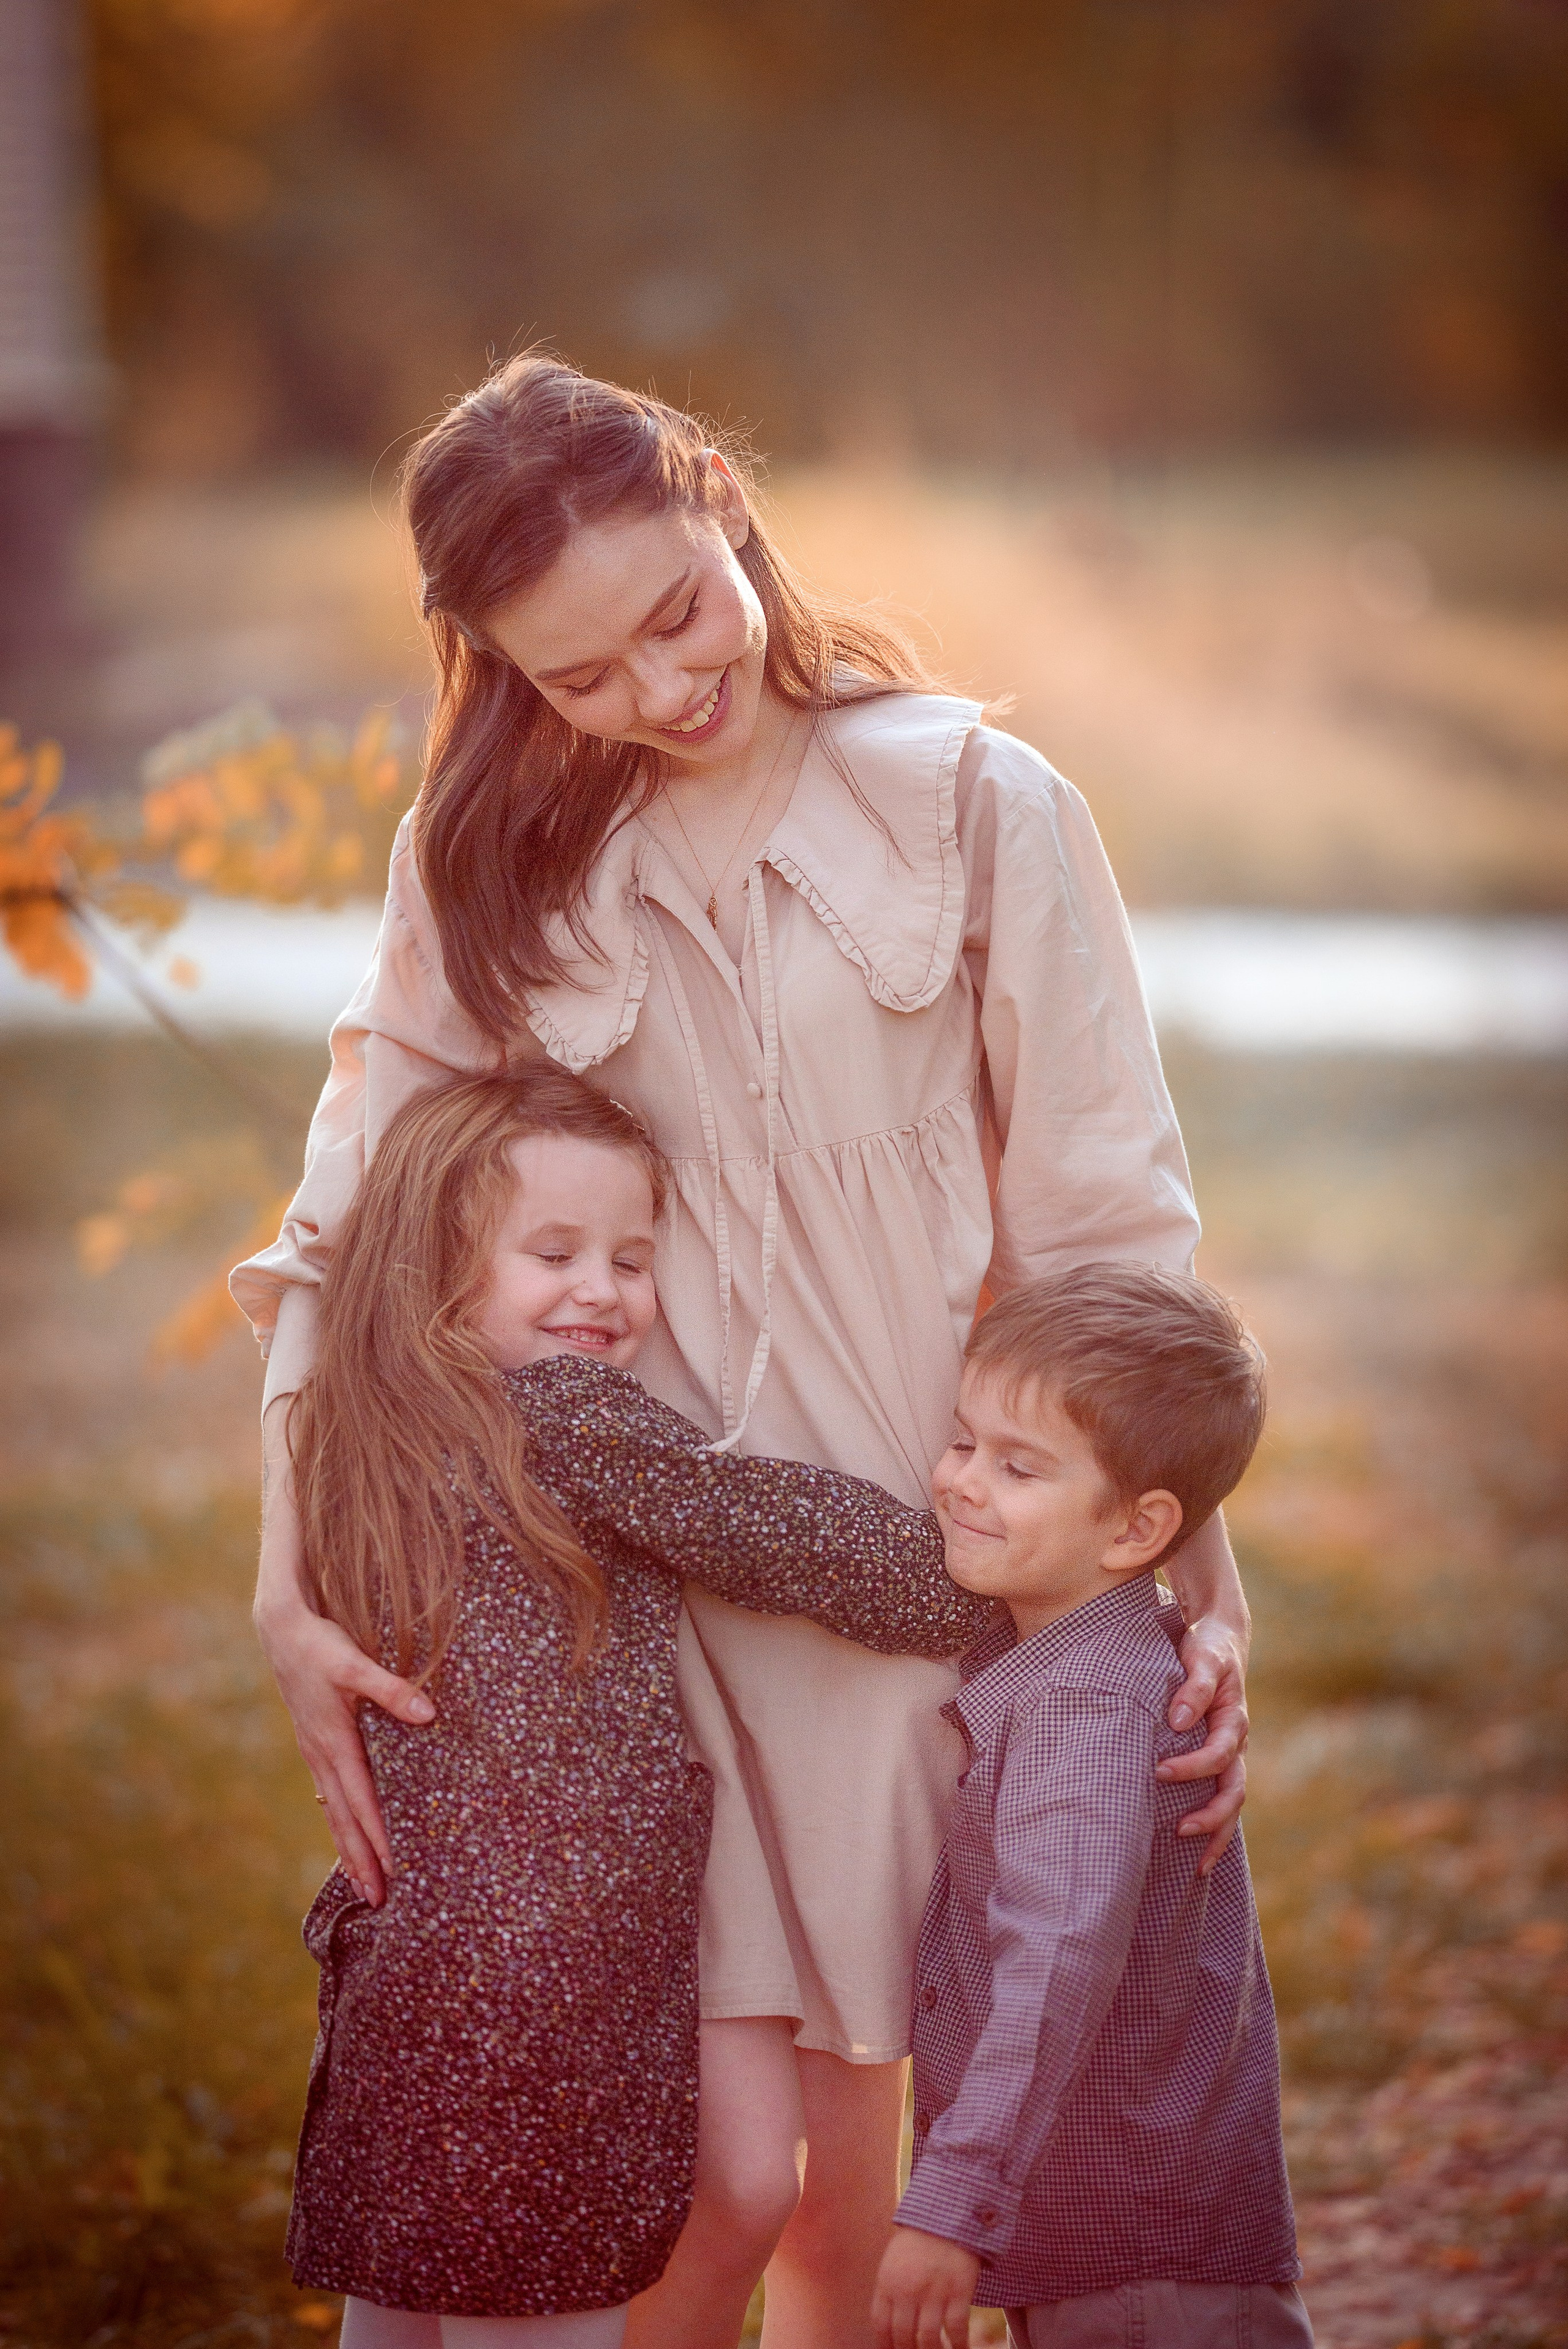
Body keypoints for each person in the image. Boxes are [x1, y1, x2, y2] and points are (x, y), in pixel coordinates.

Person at [232, 351, 1254, 2348]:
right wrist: (289, 1560)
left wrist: (1186, 1587)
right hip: (601, 1612)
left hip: (906, 1567)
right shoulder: (489, 853)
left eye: (677, 612)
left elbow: (1111, 1222)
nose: (663, 689)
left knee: (849, 2209)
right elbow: (351, 1211)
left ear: (722, 498)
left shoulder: (979, 807)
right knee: (702, 2181)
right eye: (579, 674)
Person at [287, 1064, 989, 2347]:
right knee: (540, 2294)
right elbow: (768, 1530)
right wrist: (995, 1591)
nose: (601, 1290)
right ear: (433, 1264)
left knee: (402, 2294)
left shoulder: (362, 1428)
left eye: (629, 1256)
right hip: (550, 1977)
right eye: (551, 1252)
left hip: (411, 1956)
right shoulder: (562, 1417)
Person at [871, 1264, 1311, 2349]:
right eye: (964, 1441)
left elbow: (1055, 1962)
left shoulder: (1083, 1707)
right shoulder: (1090, 1653)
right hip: (1125, 2233)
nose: (963, 1483)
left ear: (1133, 1532)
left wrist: (947, 2204)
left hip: (1143, 2256)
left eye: (1019, 1468)